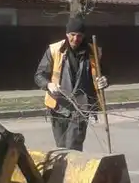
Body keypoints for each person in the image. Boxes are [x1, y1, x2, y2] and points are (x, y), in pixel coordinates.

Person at [34, 16, 109, 151]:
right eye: (72, 35)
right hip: (58, 106)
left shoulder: (94, 52)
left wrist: (104, 80)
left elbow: (104, 73)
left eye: (79, 36)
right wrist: (49, 85)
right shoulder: (54, 50)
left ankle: (72, 170)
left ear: (83, 36)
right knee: (61, 148)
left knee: (73, 147)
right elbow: (39, 76)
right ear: (67, 34)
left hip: (81, 107)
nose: (75, 39)